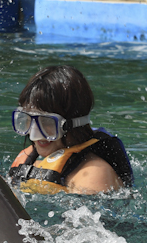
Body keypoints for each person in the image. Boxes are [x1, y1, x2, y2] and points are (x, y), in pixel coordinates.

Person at [8, 65, 133, 195]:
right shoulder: (29, 158)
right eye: (27, 119)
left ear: (73, 124)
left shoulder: (92, 174)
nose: (34, 135)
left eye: (46, 122)